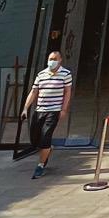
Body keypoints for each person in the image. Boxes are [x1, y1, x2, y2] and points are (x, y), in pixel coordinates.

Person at [21, 50, 74, 179]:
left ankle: (40, 165)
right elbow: (34, 92)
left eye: (55, 59)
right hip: (40, 110)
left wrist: (63, 109)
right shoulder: (41, 74)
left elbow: (67, 92)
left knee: (46, 136)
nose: (52, 61)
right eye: (50, 59)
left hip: (54, 110)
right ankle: (48, 148)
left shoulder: (65, 74)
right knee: (35, 139)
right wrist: (25, 108)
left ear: (60, 60)